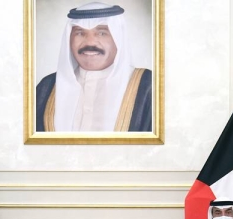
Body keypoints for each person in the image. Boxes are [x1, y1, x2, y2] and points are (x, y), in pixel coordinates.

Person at [36, 2, 152, 132]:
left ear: (118, 38)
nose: (90, 42)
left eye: (102, 33)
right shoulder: (47, 87)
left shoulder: (149, 86)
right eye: (80, 33)